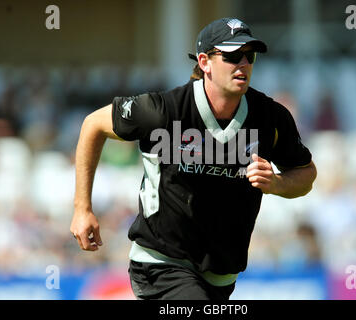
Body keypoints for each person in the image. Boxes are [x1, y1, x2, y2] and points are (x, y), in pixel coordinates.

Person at [70, 17, 317, 300]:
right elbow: (93, 125)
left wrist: (277, 184)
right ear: (204, 61)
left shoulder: (271, 118)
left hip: (222, 272)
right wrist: (82, 209)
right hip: (160, 262)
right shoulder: (163, 110)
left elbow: (306, 174)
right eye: (233, 56)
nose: (244, 64)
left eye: (249, 56)